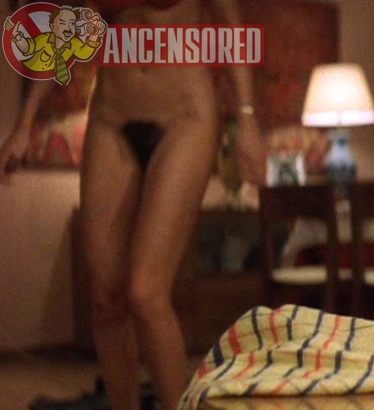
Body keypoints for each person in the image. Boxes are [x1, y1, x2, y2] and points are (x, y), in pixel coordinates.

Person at [0, 1, 265, 409]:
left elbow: (230, 22)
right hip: (110, 119)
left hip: (186, 117)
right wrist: (24, 125)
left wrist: (246, 120)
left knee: (145, 291)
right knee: (105, 298)